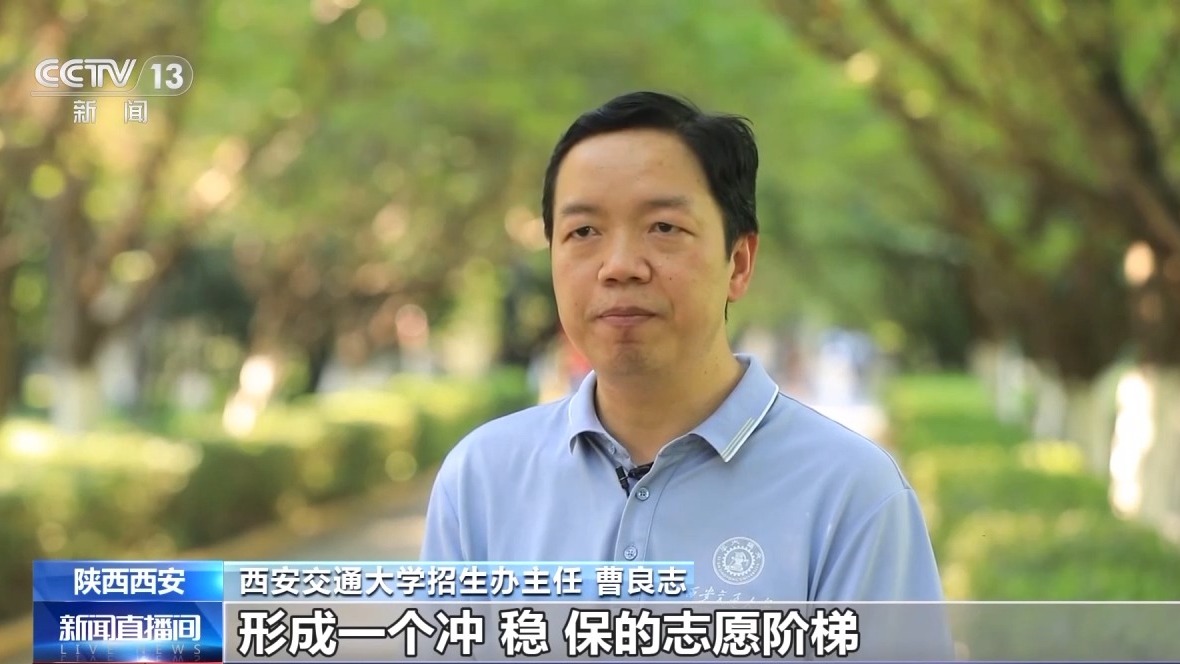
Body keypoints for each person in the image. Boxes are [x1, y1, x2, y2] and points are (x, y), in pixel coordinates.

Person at [420, 92, 946, 610]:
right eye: (584, 231)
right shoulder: (481, 480)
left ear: (739, 262)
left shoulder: (851, 493)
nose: (619, 266)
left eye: (664, 227)